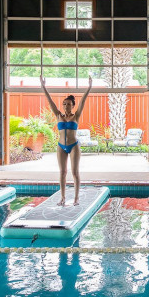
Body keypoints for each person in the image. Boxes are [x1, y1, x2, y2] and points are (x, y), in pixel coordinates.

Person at [41, 75, 92, 206]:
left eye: (68, 104)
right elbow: (50, 101)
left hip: (73, 145)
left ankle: (76, 198)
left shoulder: (76, 115)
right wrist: (43, 86)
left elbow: (83, 101)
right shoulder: (58, 115)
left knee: (75, 172)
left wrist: (89, 87)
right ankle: (62, 198)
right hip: (61, 146)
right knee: (62, 172)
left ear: (73, 105)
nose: (65, 106)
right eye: (64, 104)